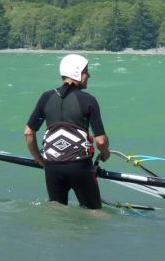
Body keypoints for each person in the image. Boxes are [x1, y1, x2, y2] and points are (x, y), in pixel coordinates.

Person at [25, 54, 110, 210]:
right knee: (95, 213)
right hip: (79, 167)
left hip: (52, 168)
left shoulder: (46, 97)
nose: (89, 75)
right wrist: (105, 154)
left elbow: (29, 133)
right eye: (86, 71)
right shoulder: (88, 100)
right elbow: (101, 141)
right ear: (77, 73)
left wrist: (40, 160)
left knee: (58, 212)